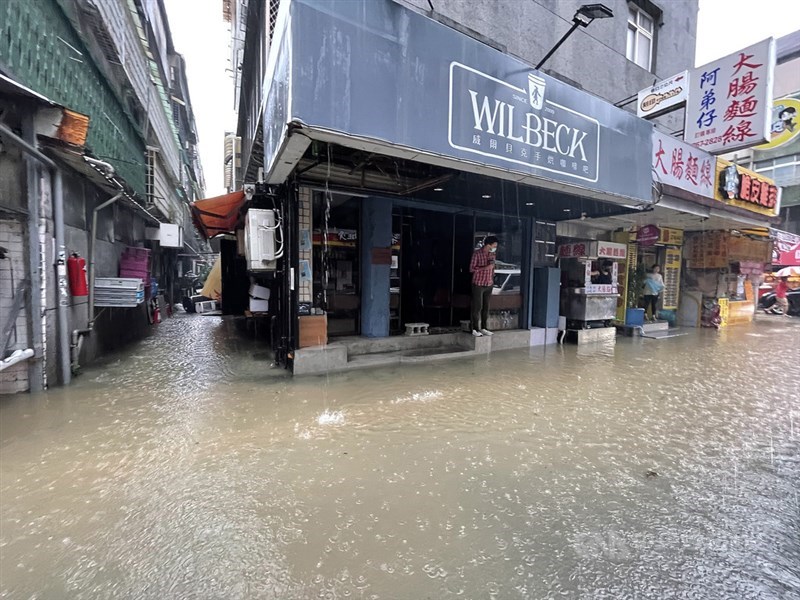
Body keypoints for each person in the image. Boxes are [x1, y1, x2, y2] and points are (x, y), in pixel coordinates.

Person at [469, 236, 498, 337]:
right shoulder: (477, 254)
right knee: (478, 306)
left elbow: (492, 268)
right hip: (478, 283)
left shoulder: (492, 254)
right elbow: (472, 269)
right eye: (494, 245)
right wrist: (485, 267)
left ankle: (484, 327)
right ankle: (474, 328)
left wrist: (492, 276)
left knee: (486, 307)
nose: (495, 247)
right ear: (488, 244)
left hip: (489, 283)